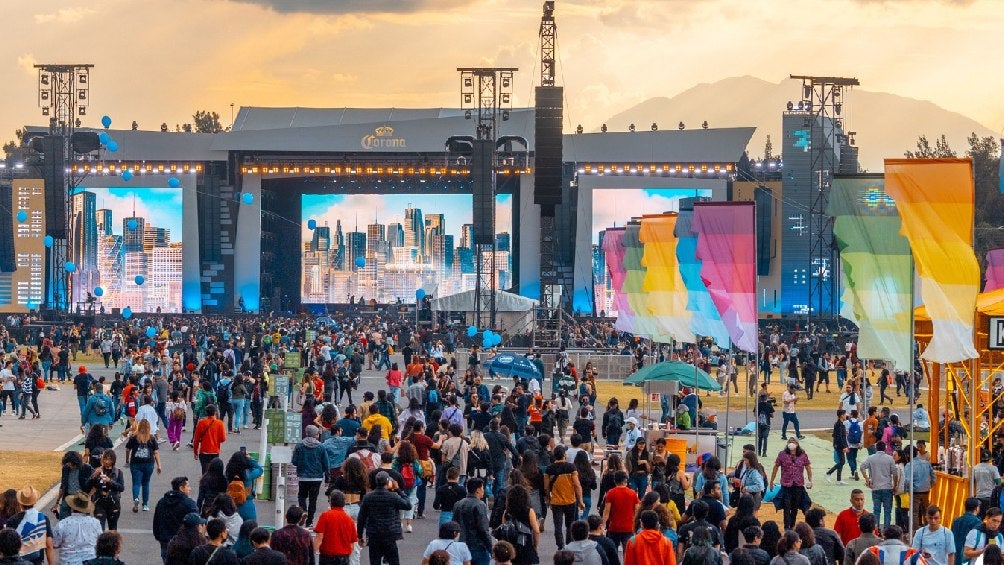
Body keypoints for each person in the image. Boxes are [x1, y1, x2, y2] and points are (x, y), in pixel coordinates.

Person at [357, 472, 412, 565]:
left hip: (374, 534)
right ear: (388, 482)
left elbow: (361, 517)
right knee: (393, 561)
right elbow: (408, 505)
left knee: (375, 561)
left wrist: (360, 535)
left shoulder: (368, 497)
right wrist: (398, 489)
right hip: (390, 534)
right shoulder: (393, 496)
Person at [545, 446, 584, 549]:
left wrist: (548, 499)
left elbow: (546, 486)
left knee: (558, 525)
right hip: (570, 500)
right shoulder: (571, 467)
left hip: (556, 502)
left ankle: (560, 545)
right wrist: (580, 501)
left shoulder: (549, 469)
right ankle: (569, 544)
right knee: (570, 524)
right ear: (564, 455)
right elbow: (577, 485)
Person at [291, 424, 330, 527]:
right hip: (317, 477)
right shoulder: (321, 446)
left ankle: (303, 511)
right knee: (313, 500)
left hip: (303, 476)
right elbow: (326, 463)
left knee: (301, 496)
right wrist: (327, 477)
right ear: (316, 435)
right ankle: (310, 522)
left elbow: (294, 461)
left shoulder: (299, 445)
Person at [5, 486, 55, 565]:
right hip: (37, 561)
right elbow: (49, 546)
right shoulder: (43, 518)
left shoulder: (12, 520)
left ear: (20, 503)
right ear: (35, 502)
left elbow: (8, 547)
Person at [769, 439, 813, 530]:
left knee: (795, 507)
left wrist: (810, 480)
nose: (791, 444)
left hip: (798, 485)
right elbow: (776, 467)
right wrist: (772, 481)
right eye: (789, 442)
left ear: (797, 444)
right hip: (786, 485)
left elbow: (808, 467)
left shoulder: (803, 455)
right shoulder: (782, 454)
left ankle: (792, 525)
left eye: (793, 442)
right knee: (786, 506)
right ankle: (786, 527)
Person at [153, 476, 199, 560]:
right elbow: (195, 523)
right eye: (188, 486)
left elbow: (156, 521)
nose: (190, 488)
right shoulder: (189, 504)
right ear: (181, 488)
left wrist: (159, 537)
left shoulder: (162, 502)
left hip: (165, 541)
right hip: (184, 544)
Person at [52, 492, 103, 565]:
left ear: (72, 507)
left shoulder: (63, 524)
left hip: (68, 561)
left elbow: (55, 543)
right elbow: (100, 541)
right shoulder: (95, 523)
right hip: (90, 561)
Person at [125, 418, 162, 512]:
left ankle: (136, 499)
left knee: (136, 483)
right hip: (148, 463)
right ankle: (145, 504)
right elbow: (156, 452)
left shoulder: (134, 437)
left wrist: (127, 460)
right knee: (146, 483)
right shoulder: (152, 438)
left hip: (135, 463)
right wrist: (159, 465)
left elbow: (128, 449)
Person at [454, 478, 493, 565]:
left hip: (462, 544)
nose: (484, 490)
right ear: (478, 490)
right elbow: (483, 529)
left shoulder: (458, 504)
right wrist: (490, 547)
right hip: (477, 546)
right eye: (483, 488)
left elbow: (454, 525)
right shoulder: (479, 505)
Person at [860, 442, 899, 529]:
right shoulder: (889, 459)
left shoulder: (871, 458)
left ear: (876, 448)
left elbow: (862, 467)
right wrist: (895, 485)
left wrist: (867, 479)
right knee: (887, 511)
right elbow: (895, 473)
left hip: (875, 487)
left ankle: (876, 529)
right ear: (885, 448)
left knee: (876, 510)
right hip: (887, 487)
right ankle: (887, 529)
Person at [313, 490, 358, 565]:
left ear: (331, 502)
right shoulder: (349, 520)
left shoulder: (325, 516)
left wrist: (312, 553)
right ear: (343, 503)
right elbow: (351, 544)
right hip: (343, 557)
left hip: (327, 556)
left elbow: (319, 537)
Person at [601, 471, 640, 552]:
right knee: (628, 552)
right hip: (629, 528)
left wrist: (603, 524)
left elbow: (606, 511)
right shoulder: (632, 493)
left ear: (615, 481)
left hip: (614, 527)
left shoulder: (610, 493)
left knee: (612, 552)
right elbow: (637, 511)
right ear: (625, 481)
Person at [87, 450, 125, 532]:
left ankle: (113, 545)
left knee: (113, 529)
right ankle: (101, 544)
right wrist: (93, 476)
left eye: (109, 459)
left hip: (113, 503)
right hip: (99, 502)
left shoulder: (118, 472)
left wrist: (110, 481)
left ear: (113, 460)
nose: (107, 461)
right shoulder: (97, 470)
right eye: (105, 459)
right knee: (100, 529)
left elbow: (121, 488)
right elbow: (88, 486)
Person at [904, 449, 936, 530]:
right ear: (917, 453)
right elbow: (933, 476)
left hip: (915, 491)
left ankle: (915, 532)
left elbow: (908, 480)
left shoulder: (909, 465)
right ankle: (928, 529)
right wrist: (930, 485)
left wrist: (907, 490)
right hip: (926, 490)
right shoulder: (926, 463)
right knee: (926, 511)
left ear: (907, 455)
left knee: (914, 513)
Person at [193, 404, 227, 473]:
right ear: (215, 412)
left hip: (204, 451)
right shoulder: (220, 423)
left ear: (206, 412)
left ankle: (204, 482)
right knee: (214, 472)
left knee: (205, 471)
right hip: (215, 451)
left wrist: (195, 452)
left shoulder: (201, 423)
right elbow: (223, 438)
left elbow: (196, 439)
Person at [951, 499, 982, 565]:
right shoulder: (977, 522)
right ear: (976, 508)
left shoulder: (956, 520)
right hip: (967, 557)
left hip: (954, 555)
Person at [825, 410, 850, 485]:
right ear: (842, 415)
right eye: (845, 414)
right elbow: (839, 437)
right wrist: (844, 446)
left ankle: (838, 480)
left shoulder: (841, 424)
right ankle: (828, 473)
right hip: (839, 445)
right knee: (842, 462)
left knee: (841, 462)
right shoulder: (839, 424)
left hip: (840, 445)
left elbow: (840, 436)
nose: (846, 416)